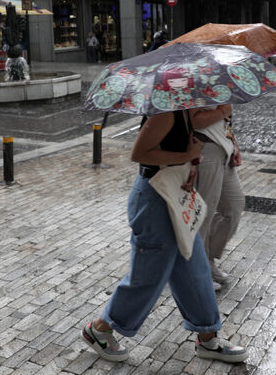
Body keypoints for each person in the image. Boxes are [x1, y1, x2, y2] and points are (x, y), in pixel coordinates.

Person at [81, 100, 248, 364]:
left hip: (174, 195)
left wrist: (191, 164)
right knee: (148, 276)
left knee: (195, 270)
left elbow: (175, 147)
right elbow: (140, 153)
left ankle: (208, 337)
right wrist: (185, 157)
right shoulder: (167, 111)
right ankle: (100, 329)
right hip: (154, 202)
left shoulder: (184, 109)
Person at [190, 104, 243, 292]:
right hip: (205, 149)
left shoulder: (220, 82)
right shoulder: (194, 81)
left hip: (223, 148)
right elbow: (193, 119)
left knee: (234, 207)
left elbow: (226, 120)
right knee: (203, 213)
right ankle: (198, 271)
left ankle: (207, 259)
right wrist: (222, 111)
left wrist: (233, 143)